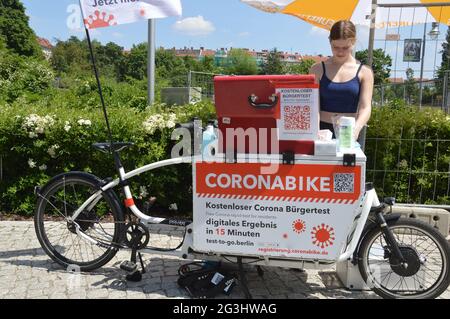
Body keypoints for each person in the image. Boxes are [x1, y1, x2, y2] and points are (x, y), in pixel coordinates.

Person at [309, 20, 374, 140]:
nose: (340, 51)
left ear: (353, 42)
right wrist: (315, 130)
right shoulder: (317, 69)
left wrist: (357, 128)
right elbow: (313, 105)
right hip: (322, 130)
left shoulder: (365, 72)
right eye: (335, 47)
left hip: (349, 131)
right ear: (330, 41)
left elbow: (366, 107)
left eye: (345, 47)